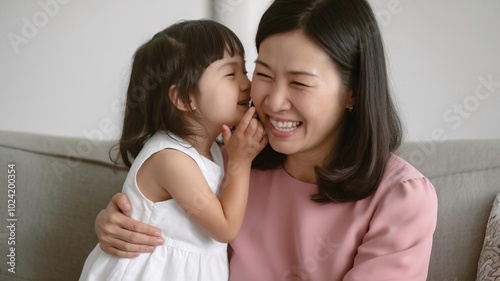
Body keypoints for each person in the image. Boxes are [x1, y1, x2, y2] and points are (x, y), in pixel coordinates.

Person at [94, 0, 438, 280]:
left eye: (300, 83)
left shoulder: (400, 199)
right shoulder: (230, 157)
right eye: (263, 73)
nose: (272, 101)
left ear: (354, 92)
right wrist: (122, 222)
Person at [79, 19, 267, 281]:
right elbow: (225, 228)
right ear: (184, 98)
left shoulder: (211, 148)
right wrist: (241, 161)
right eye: (230, 74)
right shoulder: (171, 159)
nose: (247, 84)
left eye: (245, 71)